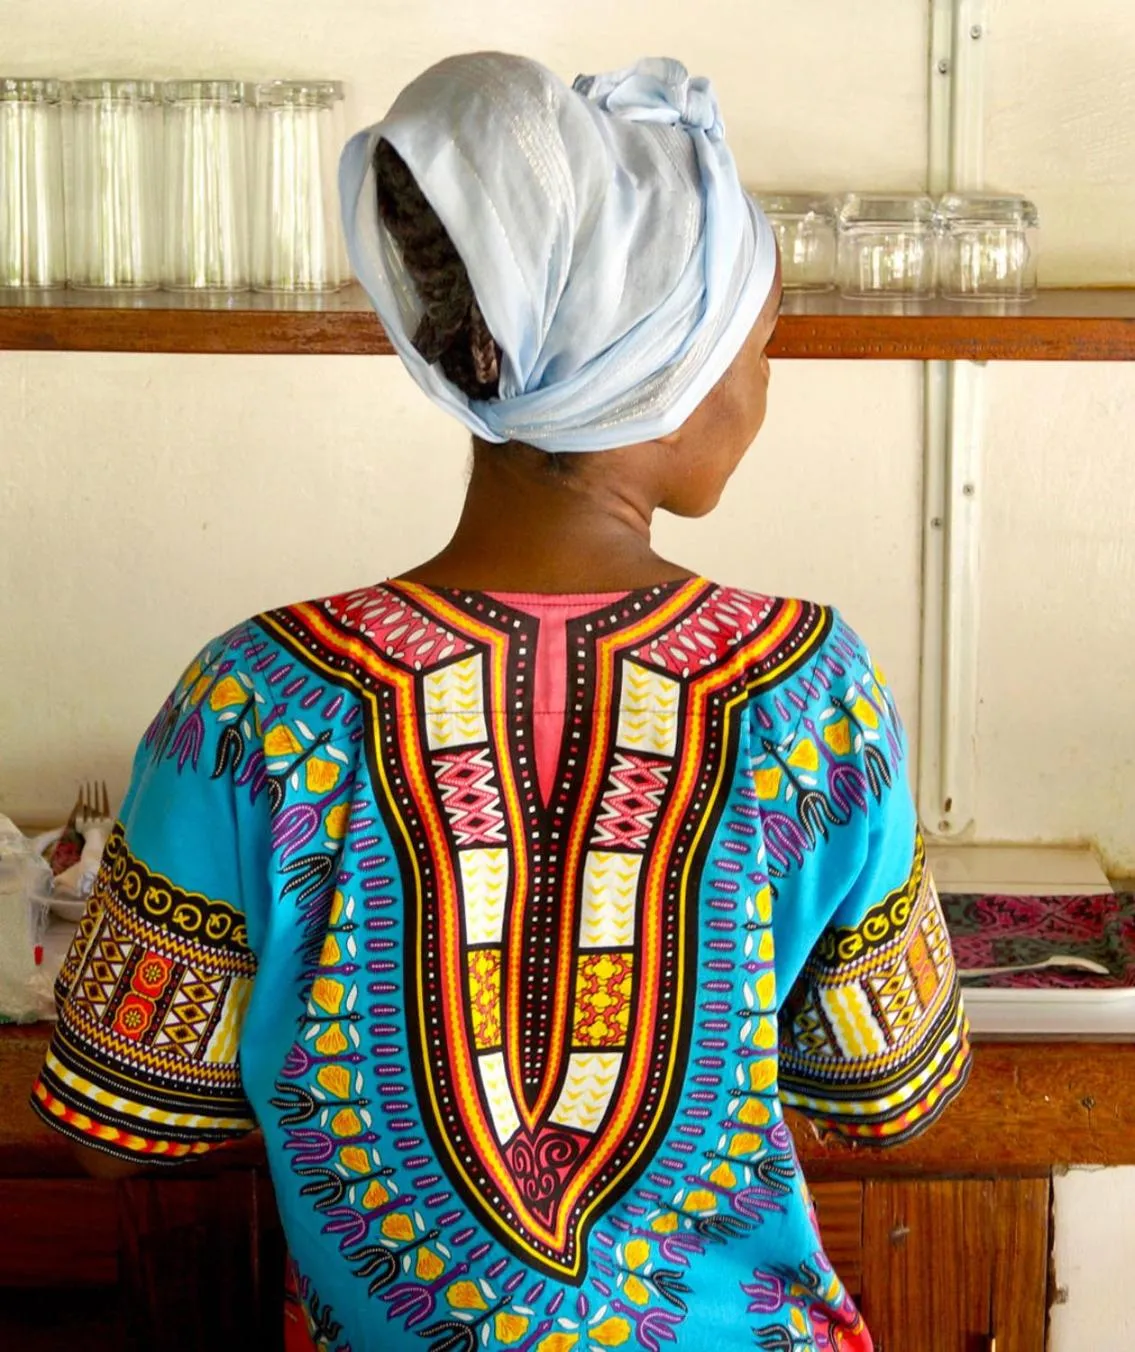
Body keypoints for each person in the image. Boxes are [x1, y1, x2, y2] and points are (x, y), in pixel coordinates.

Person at [32, 53, 970, 1352]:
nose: (763, 387)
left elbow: (116, 1124)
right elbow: (890, 1092)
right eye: (758, 347)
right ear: (671, 371)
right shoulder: (805, 688)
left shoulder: (254, 699)